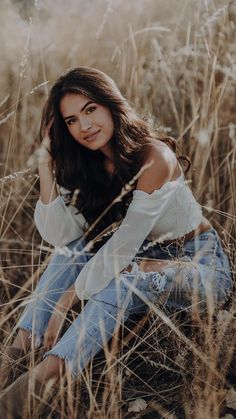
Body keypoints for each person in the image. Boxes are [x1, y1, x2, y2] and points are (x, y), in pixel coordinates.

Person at [0, 66, 233, 417]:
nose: (84, 126)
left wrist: (66, 302)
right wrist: (47, 163)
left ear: (111, 104)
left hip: (198, 266)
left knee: (131, 276)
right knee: (75, 250)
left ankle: (41, 381)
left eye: (91, 109)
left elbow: (121, 250)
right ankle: (14, 357)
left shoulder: (155, 158)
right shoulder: (88, 165)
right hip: (137, 259)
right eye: (71, 121)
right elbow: (60, 236)